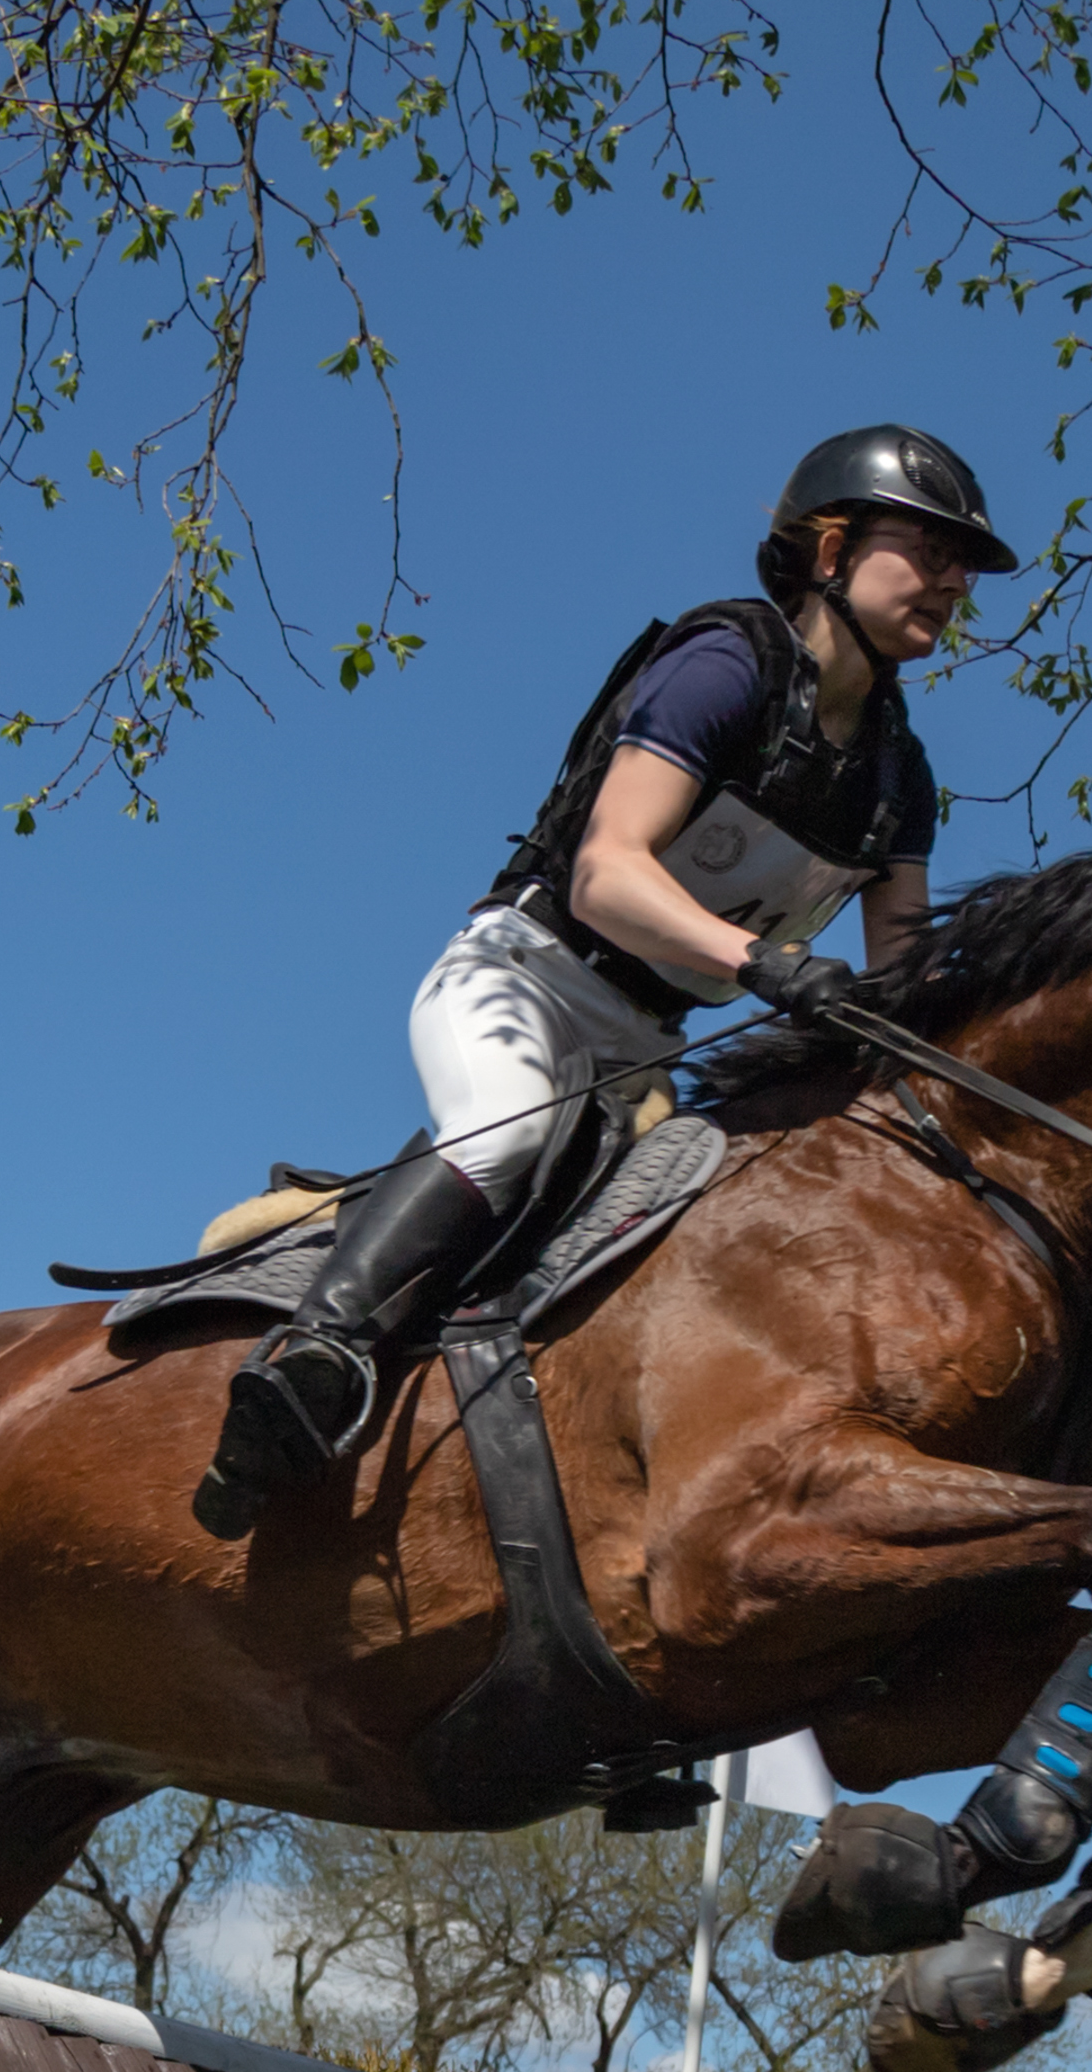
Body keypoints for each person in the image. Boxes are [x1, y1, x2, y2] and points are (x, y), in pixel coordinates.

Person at [196, 423, 1023, 1533]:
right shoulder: (725, 664)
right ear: (830, 550)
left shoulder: (899, 780)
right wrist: (767, 963)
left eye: (962, 563)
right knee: (498, 1135)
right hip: (525, 978)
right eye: (929, 548)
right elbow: (605, 876)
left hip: (647, 1054)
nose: (954, 580)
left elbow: (909, 985)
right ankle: (314, 1356)